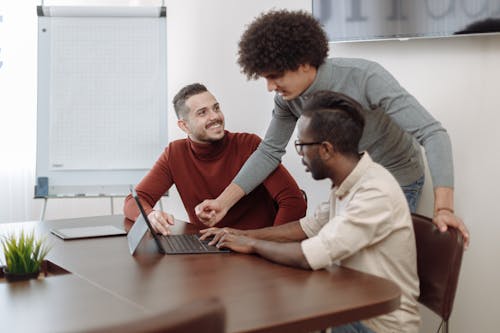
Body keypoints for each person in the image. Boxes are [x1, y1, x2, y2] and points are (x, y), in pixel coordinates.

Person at [195, 9, 469, 247]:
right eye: (265, 78)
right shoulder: (287, 99)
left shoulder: (365, 77)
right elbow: (269, 151)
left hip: (395, 177)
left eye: (275, 76)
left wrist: (444, 207)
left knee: (377, 269)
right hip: (349, 182)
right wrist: (223, 202)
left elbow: (432, 132)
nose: (270, 87)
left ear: (303, 63)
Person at [200, 91, 421, 333]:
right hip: (351, 307)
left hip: (376, 324)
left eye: (302, 145)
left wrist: (252, 245)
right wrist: (242, 235)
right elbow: (307, 228)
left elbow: (310, 255)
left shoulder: (374, 192)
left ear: (325, 149)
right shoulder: (349, 181)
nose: (300, 155)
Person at [123, 83, 307, 234]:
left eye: (216, 108)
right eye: (202, 112)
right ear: (184, 126)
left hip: (256, 252)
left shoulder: (248, 145)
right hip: (211, 252)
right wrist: (150, 215)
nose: (215, 117)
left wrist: (263, 244)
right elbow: (134, 201)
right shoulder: (175, 154)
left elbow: (293, 202)